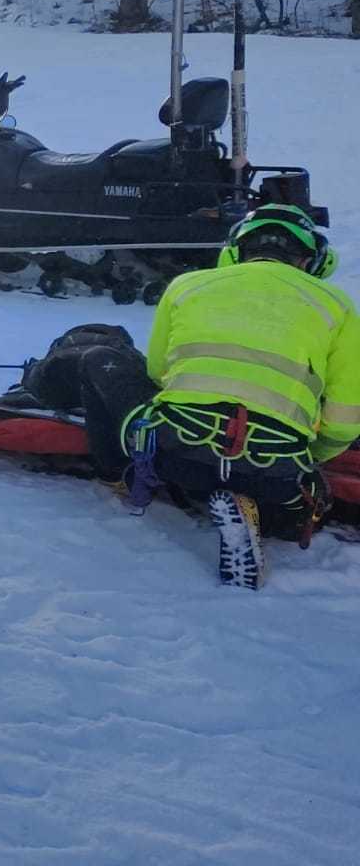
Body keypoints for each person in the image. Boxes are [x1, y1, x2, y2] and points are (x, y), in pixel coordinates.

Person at [79, 205, 360, 588]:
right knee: (287, 499)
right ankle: (253, 506)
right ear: (313, 261)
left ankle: (119, 476)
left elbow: (158, 374)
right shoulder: (338, 308)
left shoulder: (187, 285)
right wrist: (313, 455)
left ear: (233, 251)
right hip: (275, 471)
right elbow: (344, 419)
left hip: (175, 453)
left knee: (100, 358)